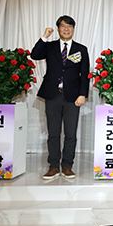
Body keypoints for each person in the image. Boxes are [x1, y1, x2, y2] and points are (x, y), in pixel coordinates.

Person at [32, 15, 90, 180]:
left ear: (73, 29)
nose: (66, 29)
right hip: (52, 95)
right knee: (53, 133)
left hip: (73, 97)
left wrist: (82, 94)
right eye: (63, 26)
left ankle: (67, 166)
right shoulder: (49, 46)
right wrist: (45, 36)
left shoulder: (81, 49)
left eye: (69, 26)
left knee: (70, 134)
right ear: (58, 29)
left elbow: (85, 73)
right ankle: (53, 166)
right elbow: (35, 55)